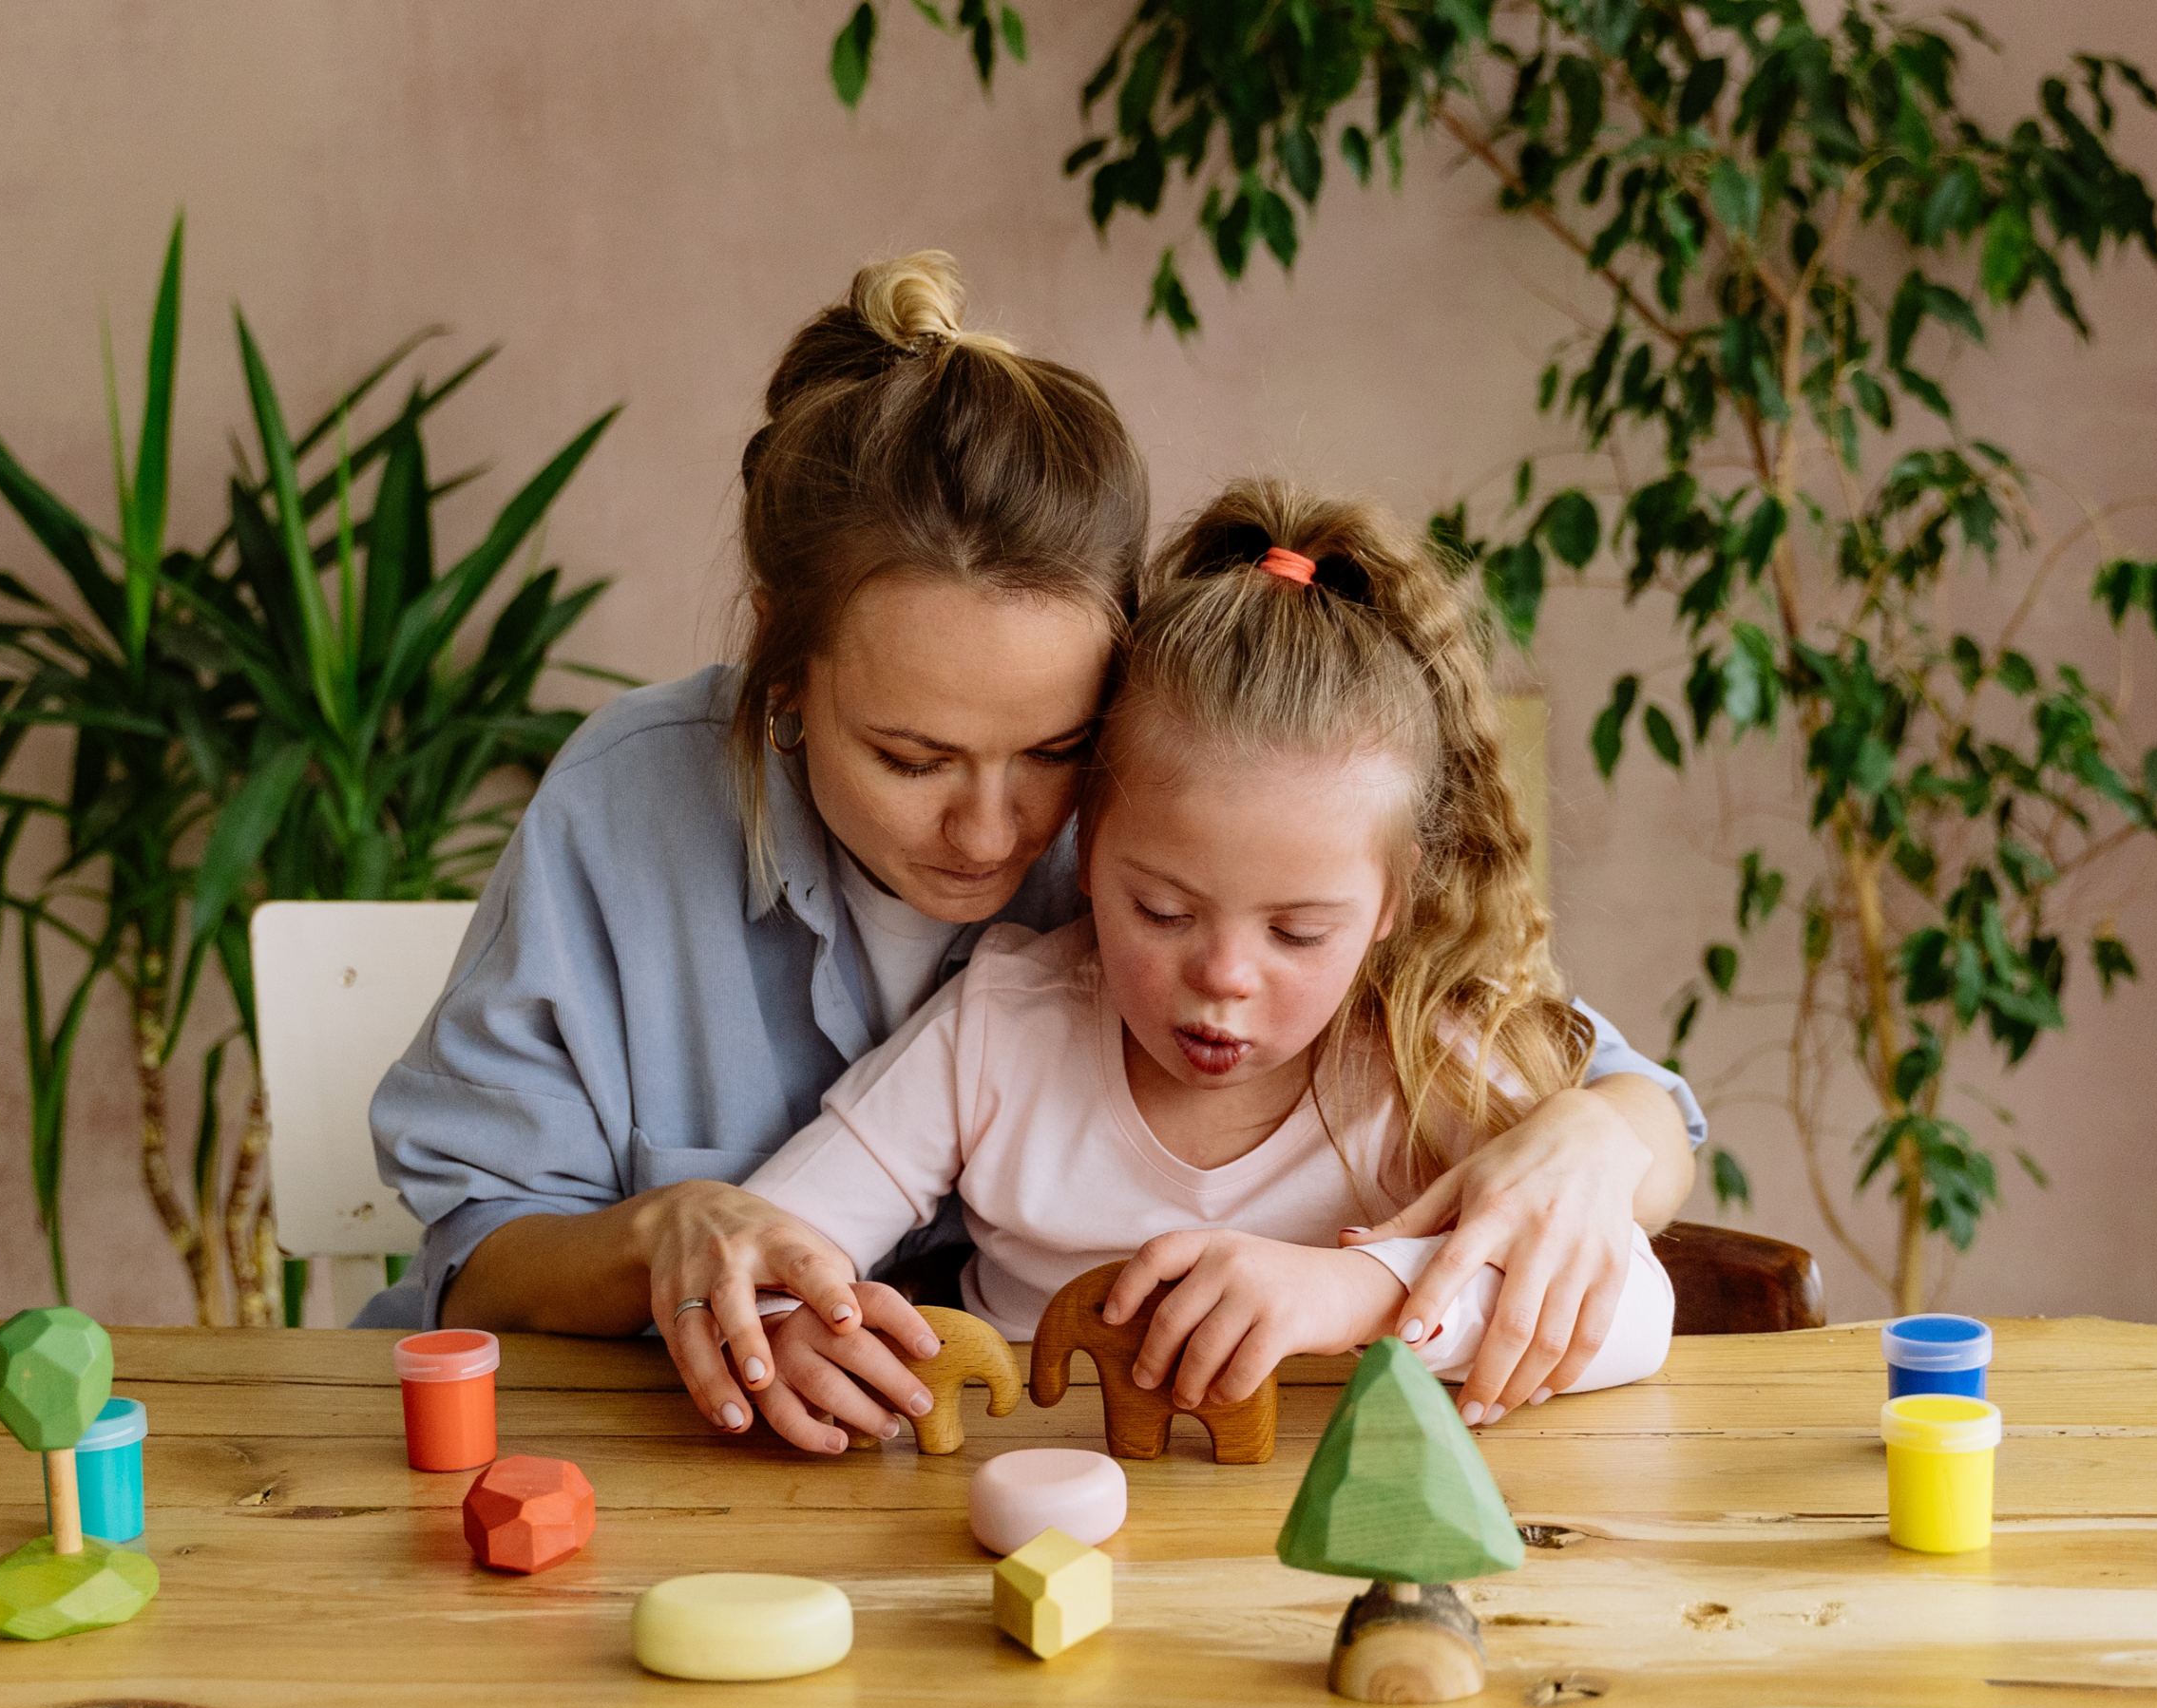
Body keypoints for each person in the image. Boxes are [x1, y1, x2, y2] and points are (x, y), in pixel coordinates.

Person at [358, 252, 1704, 1433]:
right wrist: (677, 1242)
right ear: (783, 665)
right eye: (910, 758)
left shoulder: (1180, 790)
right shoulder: (630, 816)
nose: (994, 831)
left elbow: (1603, 1094)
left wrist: (1588, 1144)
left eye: (1053, 752)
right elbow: (477, 1259)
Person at [688, 482, 1675, 1452]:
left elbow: (1637, 1309)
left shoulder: (1424, 1053)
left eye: (1297, 933)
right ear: (1087, 843)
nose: (1224, 976)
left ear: (1392, 901)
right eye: (1161, 910)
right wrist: (793, 1324)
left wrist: (1352, 1294)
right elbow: (767, 1245)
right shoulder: (1003, 1026)